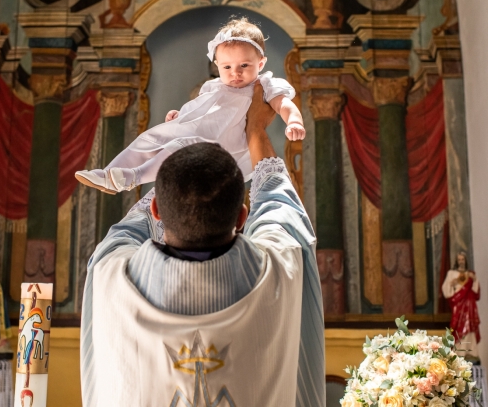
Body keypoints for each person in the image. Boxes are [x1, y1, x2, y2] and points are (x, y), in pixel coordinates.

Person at [79, 82, 325, 406]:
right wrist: (254, 130)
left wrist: (173, 173)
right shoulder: (283, 268)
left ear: (156, 210)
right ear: (242, 217)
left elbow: (127, 231)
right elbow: (280, 205)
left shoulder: (109, 272)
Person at [75, 17, 306, 193]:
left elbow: (284, 103)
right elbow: (199, 107)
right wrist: (182, 114)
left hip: (224, 142)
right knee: (152, 139)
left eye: (244, 65)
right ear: (217, 65)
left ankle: (134, 176)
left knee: (181, 148)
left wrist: (293, 120)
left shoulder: (264, 84)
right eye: (226, 67)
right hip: (199, 129)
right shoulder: (213, 86)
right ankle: (109, 174)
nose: (235, 73)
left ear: (261, 63)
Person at [441, 251, 481, 361]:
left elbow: (476, 292)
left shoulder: (470, 274)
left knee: (470, 328)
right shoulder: (452, 274)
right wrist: (452, 283)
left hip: (469, 305)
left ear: (466, 261)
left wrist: (474, 279)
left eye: (463, 259)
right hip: (458, 305)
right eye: (459, 260)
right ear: (456, 261)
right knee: (458, 327)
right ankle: (459, 352)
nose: (461, 262)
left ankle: (471, 352)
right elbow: (446, 290)